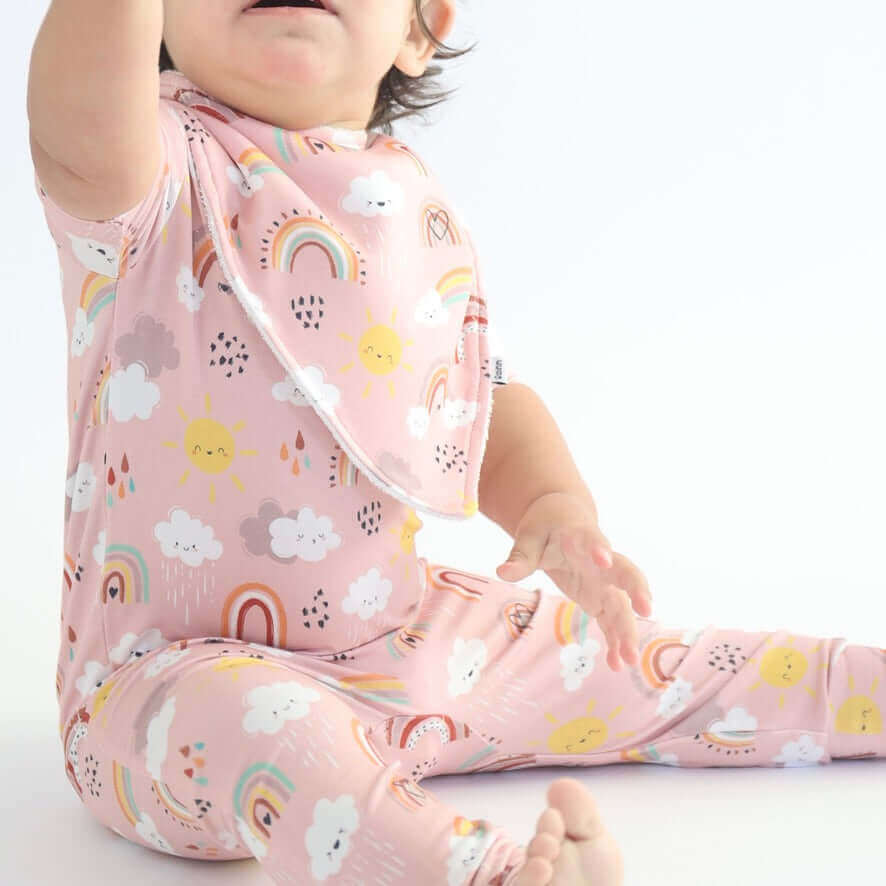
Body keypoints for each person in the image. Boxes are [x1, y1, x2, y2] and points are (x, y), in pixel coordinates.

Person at [27, 2, 885, 884]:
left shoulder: (405, 200)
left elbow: (478, 397)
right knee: (275, 725)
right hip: (171, 695)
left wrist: (556, 511)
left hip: (408, 643)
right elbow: (83, 105)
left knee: (645, 661)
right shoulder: (153, 170)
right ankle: (478, 875)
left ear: (419, 25)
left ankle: (862, 690)